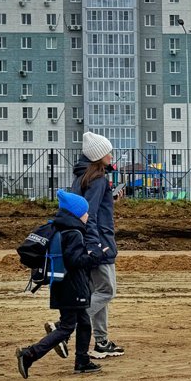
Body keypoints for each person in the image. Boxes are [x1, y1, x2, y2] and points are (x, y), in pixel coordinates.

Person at [15, 189, 106, 378]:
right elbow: (75, 261)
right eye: (85, 212)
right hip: (73, 286)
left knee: (83, 323)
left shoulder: (61, 228)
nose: (88, 215)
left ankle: (82, 361)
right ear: (77, 213)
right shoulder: (74, 233)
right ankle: (30, 354)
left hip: (63, 285)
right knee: (67, 326)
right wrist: (95, 256)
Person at [52, 132, 125, 360]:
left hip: (88, 240)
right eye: (107, 152)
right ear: (98, 156)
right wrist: (95, 246)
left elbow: (87, 209)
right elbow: (89, 214)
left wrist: (110, 201)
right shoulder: (98, 179)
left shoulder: (84, 177)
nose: (111, 155)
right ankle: (65, 325)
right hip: (98, 242)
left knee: (96, 291)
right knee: (107, 290)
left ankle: (101, 341)